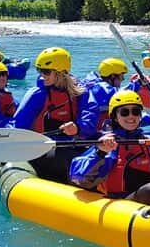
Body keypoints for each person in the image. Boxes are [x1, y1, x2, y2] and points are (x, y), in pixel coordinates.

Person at [69, 92, 150, 204]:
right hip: (119, 203)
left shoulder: (149, 142)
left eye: (135, 112)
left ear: (140, 115)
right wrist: (101, 153)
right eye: (124, 112)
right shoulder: (108, 143)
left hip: (145, 198)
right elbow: (81, 179)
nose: (131, 116)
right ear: (115, 117)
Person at [9, 47, 97, 183]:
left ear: (61, 73)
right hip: (42, 149)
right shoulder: (37, 94)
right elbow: (19, 126)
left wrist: (78, 127)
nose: (41, 75)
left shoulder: (81, 93)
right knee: (66, 157)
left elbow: (90, 116)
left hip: (73, 145)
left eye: (46, 72)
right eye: (39, 70)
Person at [81, 57, 142, 131]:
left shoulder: (93, 84)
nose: (123, 79)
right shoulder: (100, 89)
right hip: (92, 132)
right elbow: (120, 95)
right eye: (121, 75)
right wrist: (138, 83)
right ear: (113, 76)